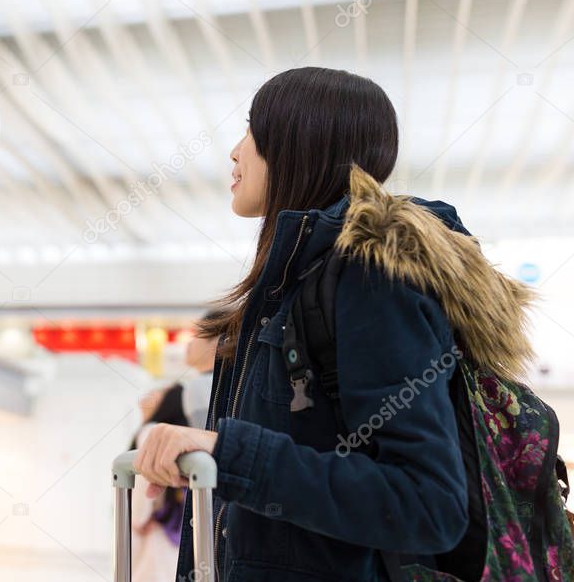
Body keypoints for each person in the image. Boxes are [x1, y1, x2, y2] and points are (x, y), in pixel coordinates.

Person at [133, 67, 530, 580]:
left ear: (300, 141)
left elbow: (428, 502)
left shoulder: (371, 281)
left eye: (253, 130)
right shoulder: (291, 287)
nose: (235, 151)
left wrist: (229, 454)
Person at [129, 326, 220, 581]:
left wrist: (136, 521)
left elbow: (140, 503)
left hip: (155, 536)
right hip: (185, 537)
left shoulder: (150, 432)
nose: (146, 397)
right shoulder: (191, 432)